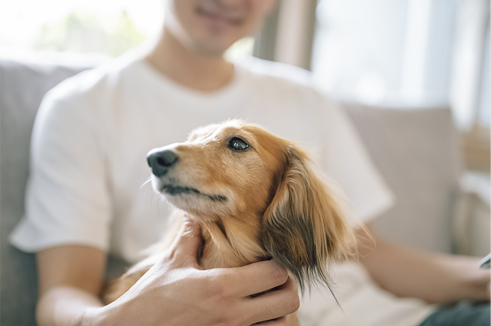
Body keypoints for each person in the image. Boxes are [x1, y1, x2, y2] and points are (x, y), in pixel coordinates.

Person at [9, 0, 490, 325]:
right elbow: (62, 294)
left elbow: (368, 250)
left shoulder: (303, 95)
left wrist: (479, 276)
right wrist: (132, 316)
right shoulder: (82, 106)